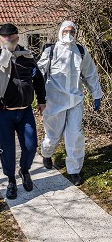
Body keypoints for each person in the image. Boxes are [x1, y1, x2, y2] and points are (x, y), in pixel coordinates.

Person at [0, 23, 46, 199]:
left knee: (31, 146)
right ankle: (10, 180)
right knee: (7, 150)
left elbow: (38, 79)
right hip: (3, 112)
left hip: (25, 112)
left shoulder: (27, 56)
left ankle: (24, 170)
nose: (8, 40)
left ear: (17, 37)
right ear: (0, 39)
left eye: (11, 37)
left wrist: (41, 100)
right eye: (4, 37)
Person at [38, 20, 103, 185]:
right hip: (54, 100)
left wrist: (96, 94)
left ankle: (74, 170)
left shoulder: (80, 51)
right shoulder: (51, 50)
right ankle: (46, 154)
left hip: (75, 99)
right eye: (66, 31)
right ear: (60, 32)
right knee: (52, 136)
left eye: (72, 32)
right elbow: (38, 73)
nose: (69, 34)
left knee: (75, 136)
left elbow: (90, 74)